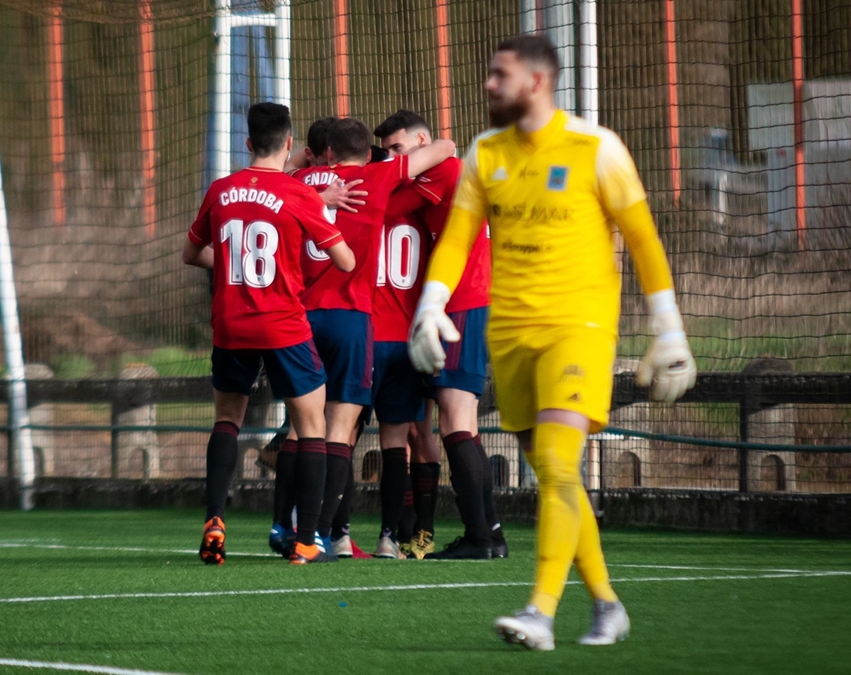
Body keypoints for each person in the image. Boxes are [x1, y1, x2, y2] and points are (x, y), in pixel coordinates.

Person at [409, 35, 696, 649]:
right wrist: (430, 306)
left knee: (562, 466)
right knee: (553, 476)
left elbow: (643, 240)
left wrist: (668, 329)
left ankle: (540, 610)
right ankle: (606, 604)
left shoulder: (598, 149)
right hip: (510, 334)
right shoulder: (485, 154)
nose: (487, 85)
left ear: (537, 82)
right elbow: (457, 239)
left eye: (498, 74)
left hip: (579, 329)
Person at [183, 102, 355, 565]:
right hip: (282, 322)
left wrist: (235, 272)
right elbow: (345, 261)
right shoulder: (299, 195)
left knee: (227, 420)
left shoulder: (220, 190)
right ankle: (305, 542)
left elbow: (191, 253)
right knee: (312, 426)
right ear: (287, 144)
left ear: (246, 143)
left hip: (231, 322)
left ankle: (215, 520)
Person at [289, 118, 456, 557]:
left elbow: (276, 174)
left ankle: (316, 529)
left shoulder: (301, 181)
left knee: (308, 427)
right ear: (370, 152)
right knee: (388, 438)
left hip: (311, 317)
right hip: (375, 326)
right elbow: (443, 148)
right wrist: (390, 159)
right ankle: (386, 536)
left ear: (323, 151)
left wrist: (305, 160)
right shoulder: (384, 181)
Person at [374, 109, 508, 561]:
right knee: (463, 423)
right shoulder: (451, 168)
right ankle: (491, 534)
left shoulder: (444, 170)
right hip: (473, 300)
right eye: (389, 151)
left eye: (399, 148)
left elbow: (385, 208)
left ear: (422, 140)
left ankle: (478, 537)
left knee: (453, 420)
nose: (396, 158)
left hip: (462, 303)